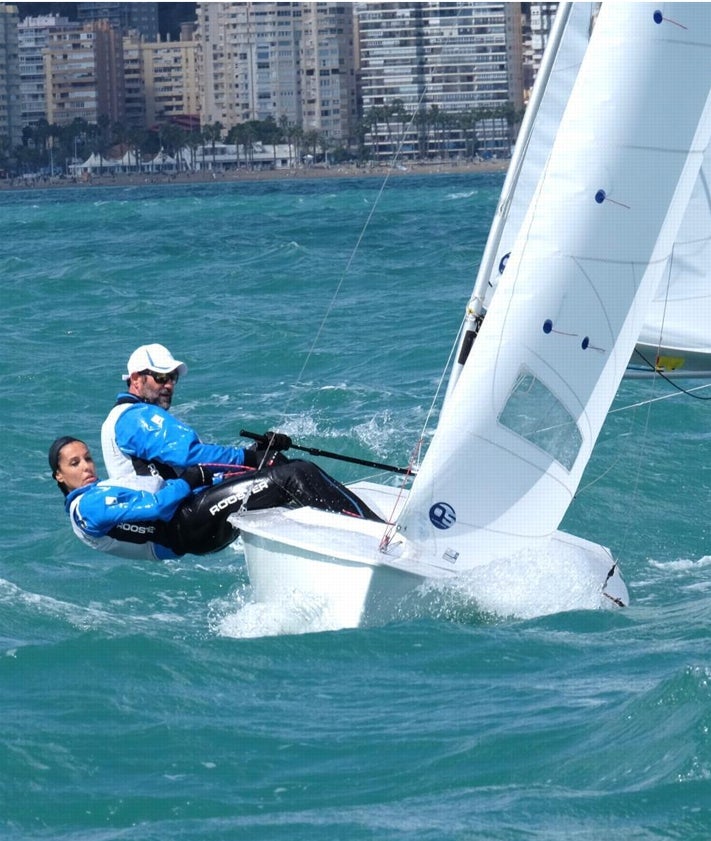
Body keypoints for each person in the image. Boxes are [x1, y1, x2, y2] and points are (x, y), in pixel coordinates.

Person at [50, 437, 382, 561]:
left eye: (88, 458)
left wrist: (248, 460)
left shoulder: (101, 491)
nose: (87, 467)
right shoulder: (87, 509)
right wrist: (192, 477)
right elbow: (159, 508)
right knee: (295, 476)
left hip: (193, 514)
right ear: (60, 477)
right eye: (74, 463)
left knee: (282, 469)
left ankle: (346, 532)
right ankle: (378, 533)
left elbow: (168, 493)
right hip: (186, 528)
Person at [101, 343, 292, 493]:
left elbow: (192, 467)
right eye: (160, 377)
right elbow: (190, 456)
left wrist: (258, 450)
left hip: (176, 509)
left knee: (273, 461)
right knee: (295, 473)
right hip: (169, 523)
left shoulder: (133, 415)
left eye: (172, 377)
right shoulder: (133, 417)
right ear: (135, 379)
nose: (169, 385)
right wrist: (250, 458)